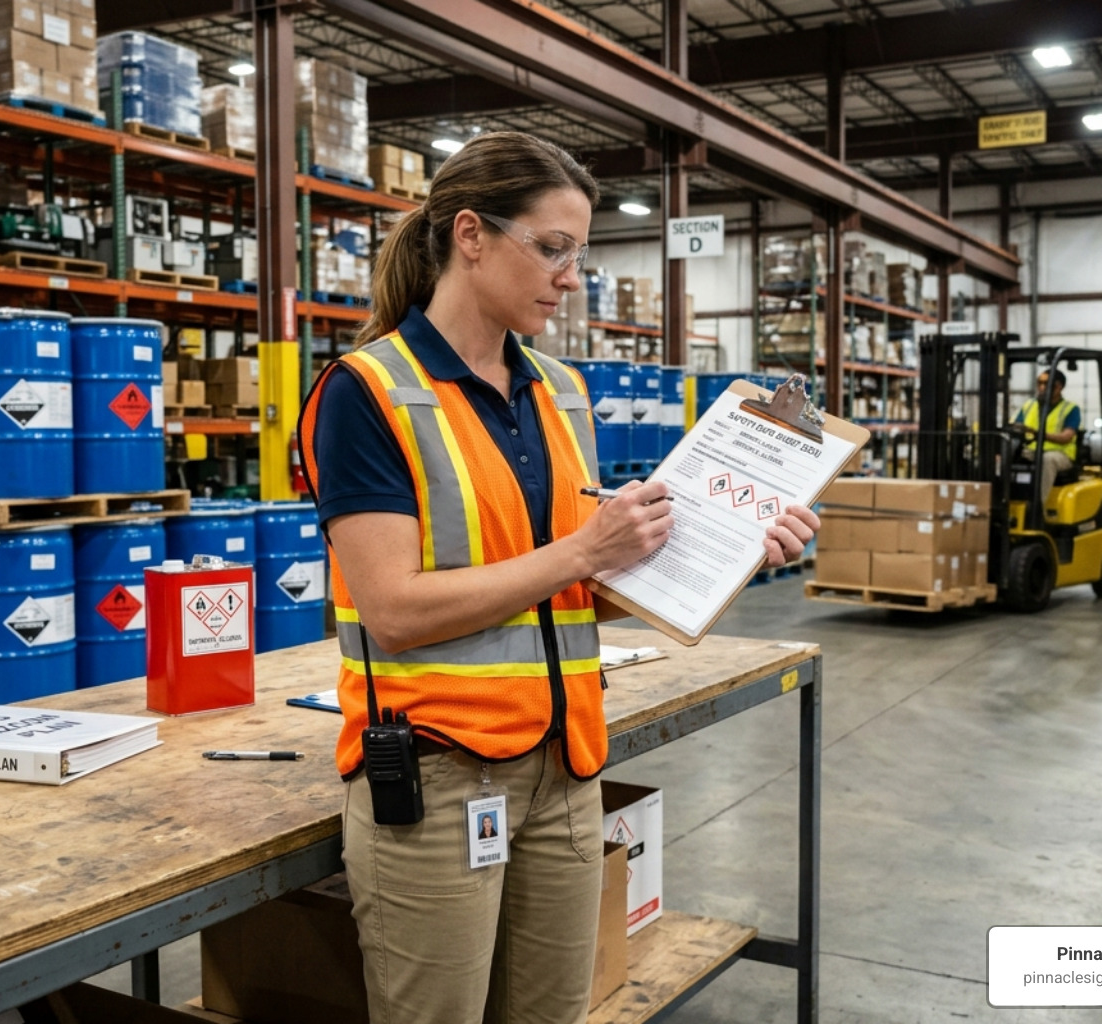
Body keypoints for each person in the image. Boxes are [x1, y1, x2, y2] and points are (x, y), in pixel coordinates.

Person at [299, 131, 819, 1024]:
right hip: (438, 775)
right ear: (470, 235)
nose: (570, 275)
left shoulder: (558, 391)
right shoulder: (365, 392)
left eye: (578, 253)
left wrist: (738, 552)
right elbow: (391, 611)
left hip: (566, 768)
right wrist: (583, 551)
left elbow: (584, 590)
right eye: (552, 249)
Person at [1015, 369, 1081, 505]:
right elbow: (1016, 426)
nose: (1041, 387)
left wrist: (1039, 434)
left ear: (1058, 387)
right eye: (1039, 383)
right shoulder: (1029, 405)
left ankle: (1038, 506)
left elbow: (1066, 437)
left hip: (1060, 454)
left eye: (1046, 383)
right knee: (1006, 454)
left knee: (1047, 460)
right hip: (1032, 450)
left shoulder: (1071, 409)